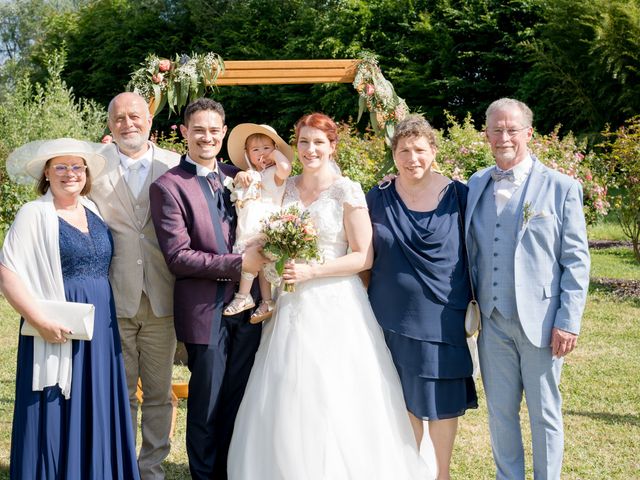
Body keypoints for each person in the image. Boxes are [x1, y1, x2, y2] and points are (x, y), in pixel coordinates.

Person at [228, 113, 433, 479]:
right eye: (304, 142)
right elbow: (259, 221)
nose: (310, 150)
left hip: (335, 302)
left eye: (318, 143)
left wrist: (313, 271)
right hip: (290, 302)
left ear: (332, 146)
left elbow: (362, 256)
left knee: (338, 390)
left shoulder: (346, 189)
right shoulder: (284, 187)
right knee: (288, 388)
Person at [466, 98, 590, 479]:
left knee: (544, 413)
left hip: (543, 322)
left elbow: (576, 260)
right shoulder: (475, 183)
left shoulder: (562, 187)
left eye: (512, 129)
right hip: (492, 321)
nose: (504, 137)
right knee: (500, 414)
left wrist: (567, 321)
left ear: (528, 133)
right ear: (486, 134)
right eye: (496, 129)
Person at [0, 138, 139, 479]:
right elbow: (7, 272)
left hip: (100, 326)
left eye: (76, 166)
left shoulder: (92, 210)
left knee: (97, 400)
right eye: (60, 167)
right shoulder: (34, 213)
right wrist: (39, 319)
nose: (69, 174)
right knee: (55, 402)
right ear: (46, 173)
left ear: (86, 173)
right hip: (56, 327)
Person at [149, 98, 266, 480]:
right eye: (198, 130)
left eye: (214, 130)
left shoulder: (239, 176)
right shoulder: (168, 186)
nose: (207, 137)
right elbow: (178, 256)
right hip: (203, 311)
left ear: (223, 132)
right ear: (184, 132)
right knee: (207, 403)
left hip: (249, 307)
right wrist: (238, 265)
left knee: (238, 398)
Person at [366, 114, 478, 479]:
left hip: (443, 314)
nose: (411, 158)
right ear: (393, 154)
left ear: (433, 150)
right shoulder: (377, 196)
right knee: (401, 399)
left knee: (442, 400)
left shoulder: (461, 196)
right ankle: (408, 471)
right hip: (389, 315)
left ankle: (441, 473)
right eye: (403, 151)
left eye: (419, 149)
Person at [90, 91, 180, 480]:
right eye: (119, 118)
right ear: (110, 125)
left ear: (149, 119)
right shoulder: (92, 165)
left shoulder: (176, 164)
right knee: (120, 392)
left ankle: (152, 468)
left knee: (159, 394)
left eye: (135, 116)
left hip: (164, 293)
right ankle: (123, 466)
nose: (128, 124)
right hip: (115, 294)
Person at [222, 123, 294, 323]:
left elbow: (286, 168)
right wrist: (240, 174)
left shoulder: (275, 174)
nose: (262, 153)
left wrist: (276, 156)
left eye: (267, 148)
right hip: (247, 225)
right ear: (247, 154)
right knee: (259, 264)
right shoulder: (249, 175)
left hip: (265, 225)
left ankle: (243, 296)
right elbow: (239, 186)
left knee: (253, 260)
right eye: (255, 150)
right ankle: (267, 301)